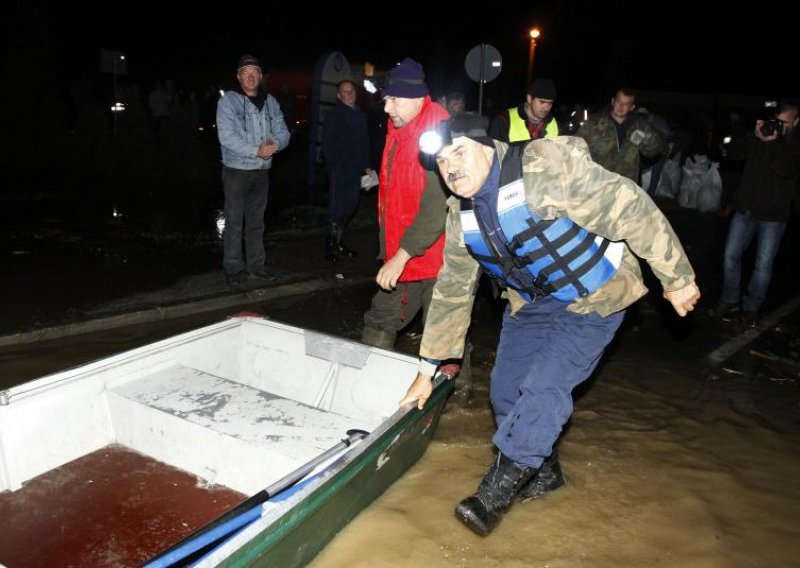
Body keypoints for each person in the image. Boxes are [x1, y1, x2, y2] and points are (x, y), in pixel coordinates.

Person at [400, 113, 700, 536]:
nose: (451, 168)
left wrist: (677, 277)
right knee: (505, 391)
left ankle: (493, 495)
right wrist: (429, 367)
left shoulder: (543, 167)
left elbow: (630, 207)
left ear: (486, 146)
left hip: (597, 293)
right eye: (444, 161)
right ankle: (543, 473)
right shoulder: (461, 215)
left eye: (460, 152)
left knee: (545, 385)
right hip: (536, 302)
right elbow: (452, 289)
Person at [360, 57, 451, 350]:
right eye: (386, 100)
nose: (387, 108)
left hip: (438, 258)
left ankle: (456, 394)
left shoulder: (440, 134)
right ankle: (367, 384)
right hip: (403, 251)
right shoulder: (398, 128)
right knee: (380, 319)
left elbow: (437, 207)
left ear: (416, 98)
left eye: (394, 100)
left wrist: (400, 256)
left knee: (442, 336)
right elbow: (399, 188)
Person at [712, 102, 800, 327]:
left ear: (796, 122)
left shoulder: (793, 145)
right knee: (730, 256)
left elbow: (787, 169)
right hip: (746, 209)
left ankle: (751, 308)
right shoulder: (762, 136)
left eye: (785, 123)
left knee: (763, 265)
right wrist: (753, 135)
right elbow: (733, 153)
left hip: (773, 216)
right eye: (776, 121)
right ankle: (730, 299)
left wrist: (774, 143)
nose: (779, 127)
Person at [216, 54, 290, 286]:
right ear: (239, 77)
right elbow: (226, 137)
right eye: (246, 72)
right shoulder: (229, 101)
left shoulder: (271, 102)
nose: (251, 75)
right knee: (235, 221)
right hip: (236, 172)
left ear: (260, 75)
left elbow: (284, 132)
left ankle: (256, 268)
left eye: (255, 71)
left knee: (257, 223)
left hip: (262, 172)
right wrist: (256, 150)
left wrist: (275, 145)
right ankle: (234, 269)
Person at [322, 80, 372, 262]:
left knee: (349, 207)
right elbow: (327, 144)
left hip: (356, 171)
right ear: (339, 95)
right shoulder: (336, 115)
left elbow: (364, 142)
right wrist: (333, 167)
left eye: (351, 90)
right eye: (345, 91)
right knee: (337, 208)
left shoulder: (359, 115)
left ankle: (339, 243)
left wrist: (366, 165)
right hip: (340, 170)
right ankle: (330, 247)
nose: (349, 93)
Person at [576, 86, 665, 183]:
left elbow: (655, 152)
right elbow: (575, 148)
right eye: (618, 102)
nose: (621, 106)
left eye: (626, 104)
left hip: (626, 186)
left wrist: (648, 138)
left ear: (632, 107)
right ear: (613, 101)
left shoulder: (640, 126)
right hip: (599, 184)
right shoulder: (593, 124)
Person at [488, 78, 559, 142]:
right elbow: (493, 153)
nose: (546, 108)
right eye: (542, 102)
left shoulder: (552, 122)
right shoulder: (505, 120)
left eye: (550, 103)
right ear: (529, 99)